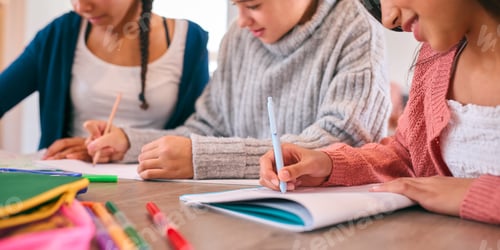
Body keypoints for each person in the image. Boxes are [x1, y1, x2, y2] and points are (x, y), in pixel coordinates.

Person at [85, 0, 391, 180]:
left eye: (254, 5)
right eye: (236, 5)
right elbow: (207, 127)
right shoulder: (238, 37)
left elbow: (338, 143)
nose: (242, 21)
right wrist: (130, 144)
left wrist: (204, 159)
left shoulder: (357, 26)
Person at [259, 0, 500, 224]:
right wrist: (330, 164)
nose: (388, 19)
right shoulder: (435, 60)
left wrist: (474, 194)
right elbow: (407, 156)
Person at [0, 0, 209, 161]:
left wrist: (117, 148)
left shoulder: (190, 43)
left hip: (154, 187)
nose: (82, 6)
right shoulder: (59, 35)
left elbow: (199, 137)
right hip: (69, 185)